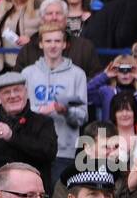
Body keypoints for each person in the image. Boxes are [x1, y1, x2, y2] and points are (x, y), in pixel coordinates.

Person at [21, 25, 87, 187]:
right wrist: (44, 110)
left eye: (57, 41)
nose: (53, 45)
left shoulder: (77, 74)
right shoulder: (28, 73)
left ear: (65, 44)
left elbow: (82, 116)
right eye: (48, 41)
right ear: (41, 44)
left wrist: (65, 111)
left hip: (65, 150)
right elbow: (21, 114)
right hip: (33, 149)